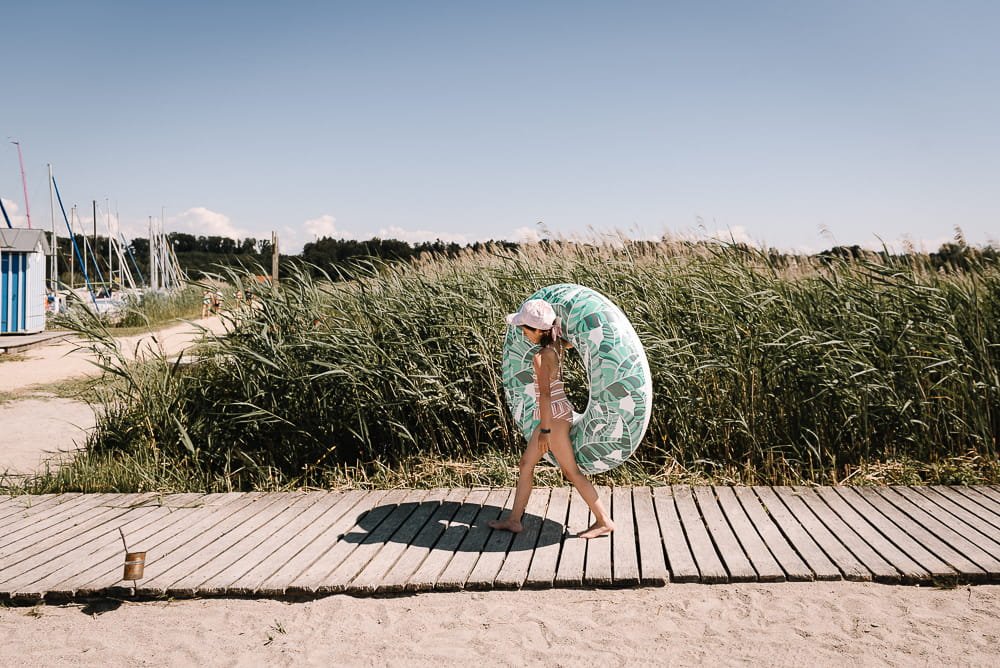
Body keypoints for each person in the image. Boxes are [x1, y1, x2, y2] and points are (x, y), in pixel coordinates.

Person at [489, 299, 616, 539]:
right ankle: (514, 520)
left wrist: (545, 430)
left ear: (538, 330)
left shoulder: (541, 356)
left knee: (572, 472)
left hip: (553, 419)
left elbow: (545, 395)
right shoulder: (557, 346)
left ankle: (604, 521)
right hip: (557, 412)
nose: (522, 332)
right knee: (526, 464)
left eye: (525, 328)